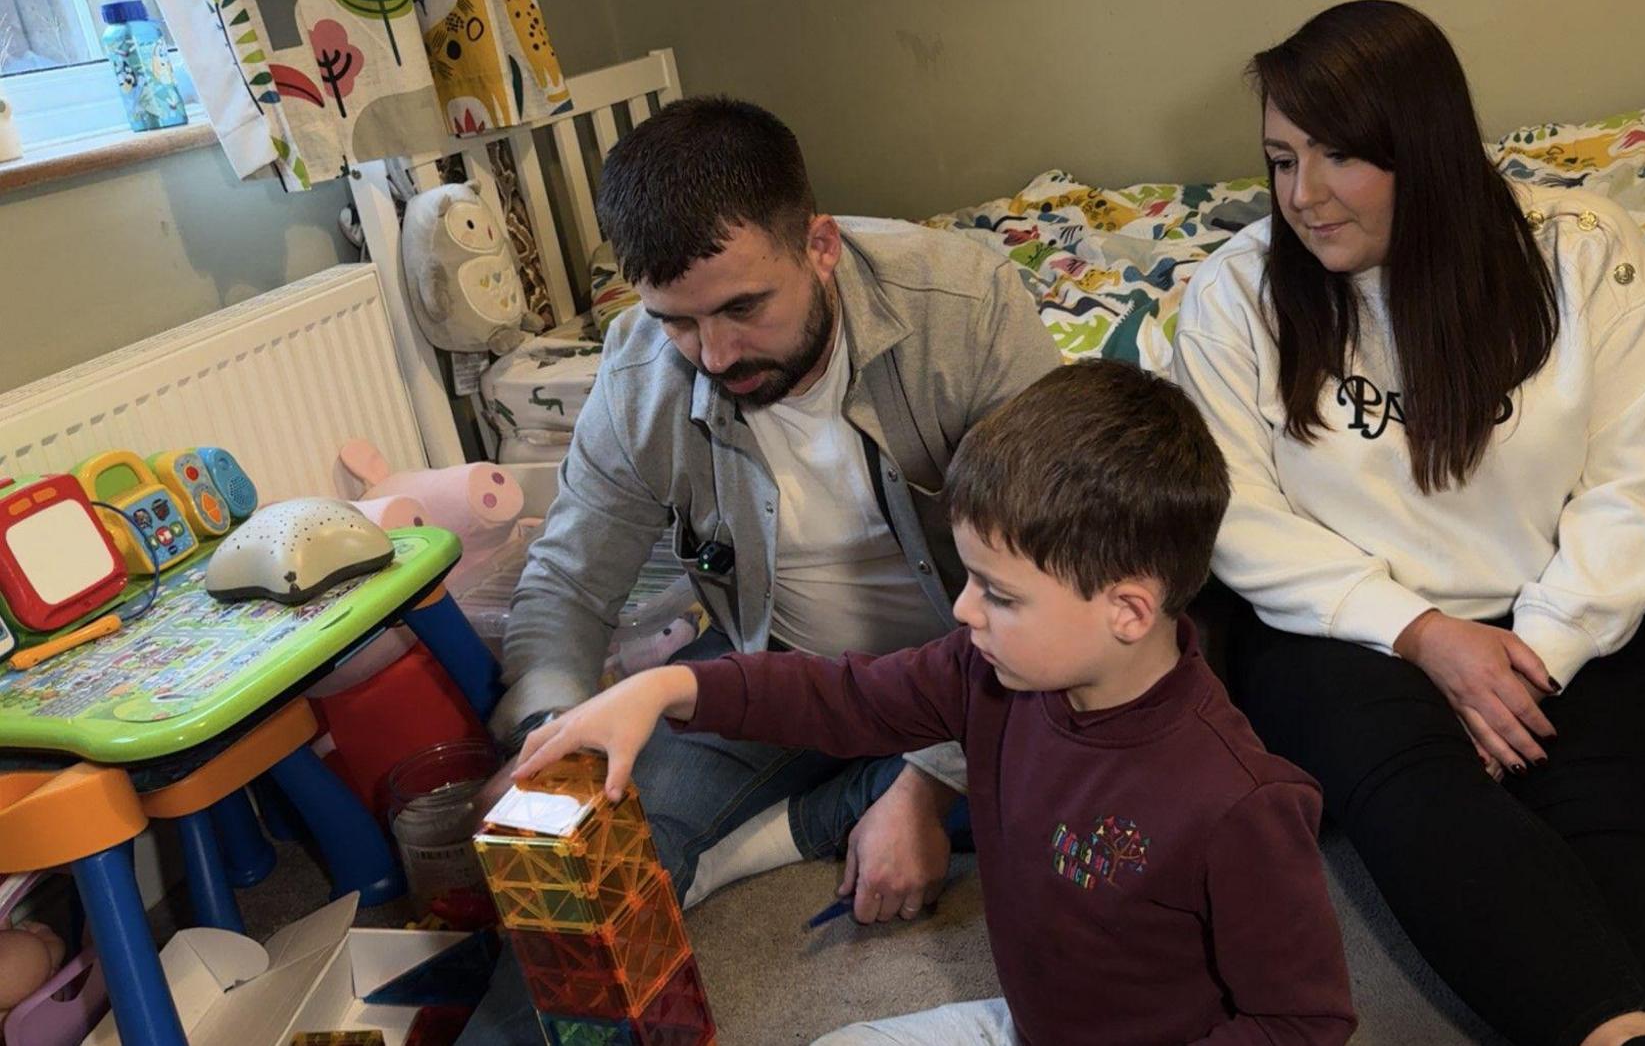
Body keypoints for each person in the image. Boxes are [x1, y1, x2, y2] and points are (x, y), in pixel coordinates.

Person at [1170, 0, 1645, 1046]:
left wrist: (1536, 651)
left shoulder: (1582, 254)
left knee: (1618, 837)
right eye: (1282, 158)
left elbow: (1640, 487)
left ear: (1421, 147)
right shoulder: (1235, 293)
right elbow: (1235, 514)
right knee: (1420, 807)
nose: (1304, 196)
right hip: (1343, 628)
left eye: (1341, 157)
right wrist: (1425, 636)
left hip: (1576, 615)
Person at [514, 361, 1357, 1046]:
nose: (962, 610)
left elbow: (1304, 1019)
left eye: (998, 593)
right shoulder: (985, 673)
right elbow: (840, 695)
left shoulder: (1241, 800)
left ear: (1129, 610)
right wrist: (665, 685)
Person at [458, 96, 1061, 1044]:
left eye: (744, 307)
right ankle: (829, 807)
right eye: (679, 323)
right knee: (569, 871)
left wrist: (926, 783)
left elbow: (1056, 574)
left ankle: (839, 811)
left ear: (819, 243)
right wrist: (555, 739)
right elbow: (567, 585)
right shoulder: (636, 378)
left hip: (989, 673)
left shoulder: (966, 306)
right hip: (782, 673)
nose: (718, 355)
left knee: (1130, 814)